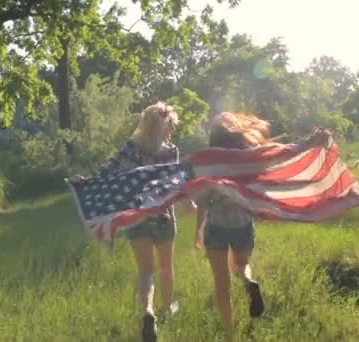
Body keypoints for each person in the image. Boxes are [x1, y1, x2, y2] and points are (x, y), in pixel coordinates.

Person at [71, 102, 181, 342]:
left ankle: (147, 311)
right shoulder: (171, 151)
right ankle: (167, 310)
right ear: (166, 127)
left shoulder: (130, 147)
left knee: (145, 270)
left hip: (136, 216)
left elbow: (107, 172)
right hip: (163, 216)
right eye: (170, 126)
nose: (171, 130)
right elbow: (174, 184)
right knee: (165, 267)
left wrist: (85, 183)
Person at [193, 112, 275, 342]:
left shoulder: (210, 161)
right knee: (240, 265)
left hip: (217, 225)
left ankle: (230, 336)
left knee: (221, 285)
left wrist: (198, 230)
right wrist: (261, 209)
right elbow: (258, 188)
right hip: (242, 223)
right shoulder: (246, 159)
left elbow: (202, 200)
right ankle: (249, 282)